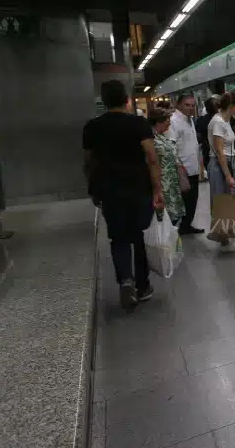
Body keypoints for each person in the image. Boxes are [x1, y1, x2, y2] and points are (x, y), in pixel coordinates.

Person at [83, 80, 164, 310]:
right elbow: (151, 157)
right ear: (127, 99)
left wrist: (92, 188)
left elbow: (88, 162)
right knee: (138, 236)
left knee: (118, 238)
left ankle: (125, 281)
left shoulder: (92, 127)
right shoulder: (138, 124)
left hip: (109, 190)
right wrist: (158, 189)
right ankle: (143, 285)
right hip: (139, 189)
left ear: (104, 101)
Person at [207, 92, 235, 253]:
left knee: (228, 202)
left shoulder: (225, 121)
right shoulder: (218, 122)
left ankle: (225, 238)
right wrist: (228, 175)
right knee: (224, 202)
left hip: (229, 164)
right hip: (221, 165)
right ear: (231, 106)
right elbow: (219, 151)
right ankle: (225, 239)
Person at [168, 94, 204, 234]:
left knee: (192, 200)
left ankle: (186, 225)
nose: (190, 108)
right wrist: (179, 168)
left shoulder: (190, 120)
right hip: (183, 169)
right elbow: (173, 146)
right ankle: (175, 228)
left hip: (193, 167)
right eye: (187, 105)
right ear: (178, 105)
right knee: (183, 200)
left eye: (192, 105)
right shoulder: (174, 121)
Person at [149, 108, 186, 225]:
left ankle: (172, 239)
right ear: (159, 121)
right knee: (164, 216)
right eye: (167, 120)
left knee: (173, 217)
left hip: (171, 182)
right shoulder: (151, 138)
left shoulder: (162, 136)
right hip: (162, 183)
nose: (169, 123)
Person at [196, 96, 219, 173]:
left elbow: (198, 137)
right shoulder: (221, 119)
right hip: (212, 156)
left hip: (208, 155)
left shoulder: (200, 120)